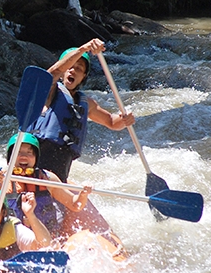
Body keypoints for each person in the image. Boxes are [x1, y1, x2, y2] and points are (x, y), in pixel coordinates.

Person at [25, 38, 136, 182]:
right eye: (70, 66)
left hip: (61, 167)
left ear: (83, 76)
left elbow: (112, 122)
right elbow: (53, 72)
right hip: (35, 162)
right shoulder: (49, 90)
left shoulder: (86, 103)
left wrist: (124, 119)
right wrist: (83, 49)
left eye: (79, 68)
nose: (73, 70)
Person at [0, 133, 92, 239]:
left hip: (46, 240)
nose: (24, 156)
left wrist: (83, 194)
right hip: (13, 241)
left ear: (36, 158)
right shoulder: (1, 179)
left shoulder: (47, 179)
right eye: (18, 152)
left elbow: (75, 205)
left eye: (29, 153)